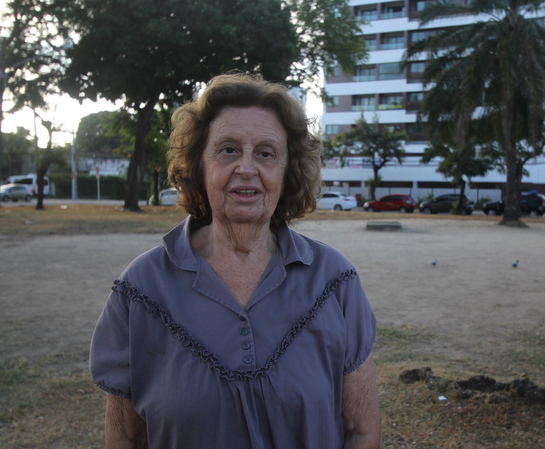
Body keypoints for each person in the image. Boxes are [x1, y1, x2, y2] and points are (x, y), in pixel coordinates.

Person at [90, 73, 381, 449]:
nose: (247, 168)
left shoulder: (334, 280)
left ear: (286, 169)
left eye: (265, 153)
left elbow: (362, 429)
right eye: (228, 149)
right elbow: (125, 435)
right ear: (199, 164)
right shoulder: (141, 288)